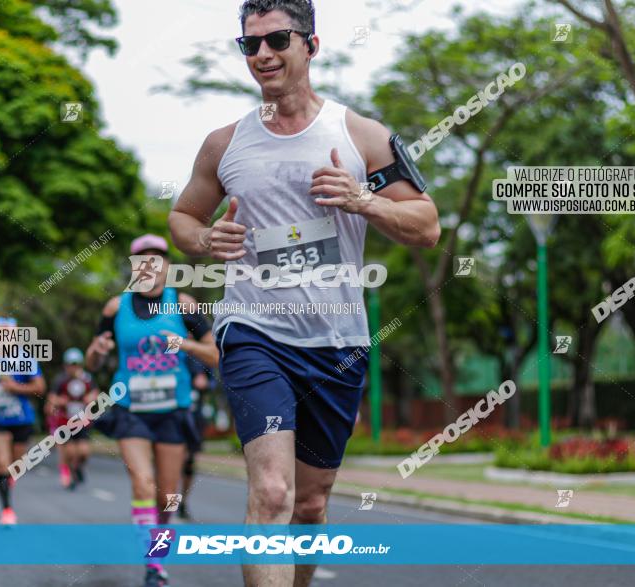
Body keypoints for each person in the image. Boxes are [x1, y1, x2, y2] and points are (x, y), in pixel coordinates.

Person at [167, 2, 440, 585]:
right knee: (271, 491)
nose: (263, 54)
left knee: (310, 507)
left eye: (277, 40)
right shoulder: (224, 144)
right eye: (250, 45)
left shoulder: (361, 135)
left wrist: (362, 199)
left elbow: (428, 226)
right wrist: (206, 238)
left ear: (311, 45)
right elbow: (182, 220)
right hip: (254, 332)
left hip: (336, 341)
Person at [86, 234, 218, 587]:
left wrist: (183, 343)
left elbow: (215, 354)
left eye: (157, 260)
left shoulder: (184, 304)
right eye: (142, 260)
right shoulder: (116, 307)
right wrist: (98, 350)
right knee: (143, 482)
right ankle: (153, 564)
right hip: (131, 407)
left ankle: (156, 553)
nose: (151, 267)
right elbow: (92, 359)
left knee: (167, 497)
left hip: (174, 409)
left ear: (168, 267)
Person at [0, 316, 46, 525]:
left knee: (16, 465)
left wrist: (15, 388)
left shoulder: (25, 359)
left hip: (21, 419)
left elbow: (40, 387)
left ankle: (5, 479)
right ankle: (7, 510)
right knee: (1, 462)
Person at [46, 347, 99, 490]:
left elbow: (95, 394)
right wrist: (59, 402)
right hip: (65, 422)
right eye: (71, 364)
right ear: (66, 365)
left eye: (76, 364)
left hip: (83, 422)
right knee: (69, 452)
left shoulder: (87, 379)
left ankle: (78, 468)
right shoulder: (60, 380)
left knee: (83, 452)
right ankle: (70, 474)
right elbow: (51, 400)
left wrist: (91, 398)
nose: (73, 367)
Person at [178, 355, 214, 520]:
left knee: (189, 460)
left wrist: (206, 383)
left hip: (195, 415)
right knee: (173, 458)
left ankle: (182, 502)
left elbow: (213, 381)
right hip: (174, 413)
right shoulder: (174, 352)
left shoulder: (203, 356)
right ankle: (168, 500)